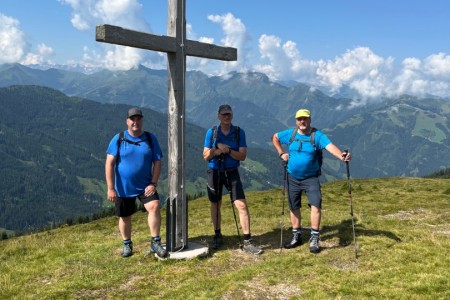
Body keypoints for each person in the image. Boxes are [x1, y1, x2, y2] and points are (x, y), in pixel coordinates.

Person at [272, 109, 351, 253]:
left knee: (316, 205)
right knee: (293, 206)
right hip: (292, 177)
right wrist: (281, 153)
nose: (302, 121)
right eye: (299, 119)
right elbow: (275, 137)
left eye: (305, 119)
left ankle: (314, 238)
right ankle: (297, 236)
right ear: (296, 120)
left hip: (311, 178)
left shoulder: (317, 136)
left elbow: (330, 147)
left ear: (310, 120)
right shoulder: (291, 133)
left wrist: (342, 156)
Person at [105, 107, 168, 258]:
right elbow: (109, 163)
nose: (135, 122)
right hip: (123, 187)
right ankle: (127, 244)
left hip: (145, 185)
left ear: (142, 120)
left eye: (138, 119)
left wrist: (153, 183)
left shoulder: (150, 138)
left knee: (154, 206)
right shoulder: (118, 139)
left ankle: (155, 242)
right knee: (125, 216)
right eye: (132, 119)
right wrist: (110, 188)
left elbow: (157, 162)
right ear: (127, 121)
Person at [202, 104, 263, 255]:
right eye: (223, 114)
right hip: (215, 171)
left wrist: (228, 150)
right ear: (218, 116)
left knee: (241, 204)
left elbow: (242, 156)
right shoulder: (212, 132)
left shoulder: (238, 132)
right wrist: (216, 151)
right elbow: (205, 155)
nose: (226, 117)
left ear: (232, 115)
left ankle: (247, 240)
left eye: (228, 114)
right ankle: (217, 234)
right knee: (215, 203)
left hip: (232, 171)